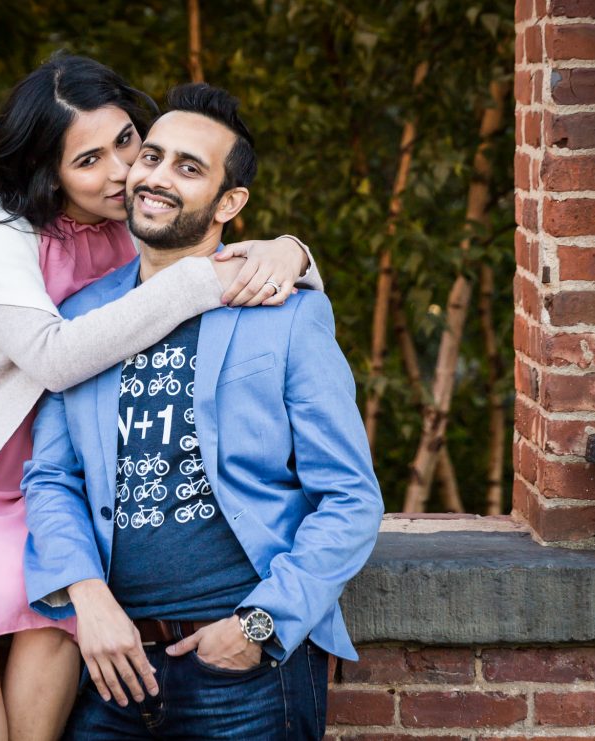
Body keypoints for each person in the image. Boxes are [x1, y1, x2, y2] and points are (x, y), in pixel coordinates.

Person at [0, 54, 321, 741]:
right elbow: (57, 356)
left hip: (65, 475)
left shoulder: (129, 218)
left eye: (127, 141)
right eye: (89, 160)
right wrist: (206, 279)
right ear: (47, 170)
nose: (123, 171)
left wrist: (289, 251)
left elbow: (209, 227)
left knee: (56, 621)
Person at [22, 82, 383, 740]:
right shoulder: (81, 317)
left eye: (189, 168)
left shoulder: (287, 314)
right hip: (111, 662)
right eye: (152, 156)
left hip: (245, 670)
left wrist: (259, 627)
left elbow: (351, 497)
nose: (157, 177)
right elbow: (51, 477)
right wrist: (86, 596)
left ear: (230, 202)